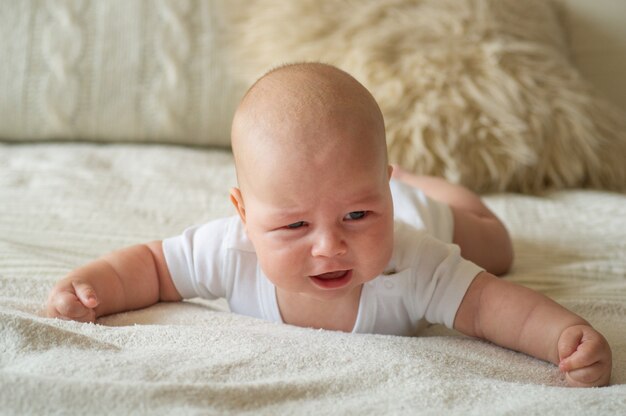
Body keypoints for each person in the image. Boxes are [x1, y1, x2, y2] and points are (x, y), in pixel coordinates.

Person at [47, 63, 611, 388]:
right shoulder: (230, 249)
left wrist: (561, 336)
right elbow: (153, 265)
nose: (329, 246)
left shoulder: (412, 259)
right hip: (388, 193)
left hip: (424, 214)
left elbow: (489, 306)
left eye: (357, 215)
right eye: (293, 225)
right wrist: (92, 286)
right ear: (244, 214)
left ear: (380, 193)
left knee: (497, 245)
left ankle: (423, 185)